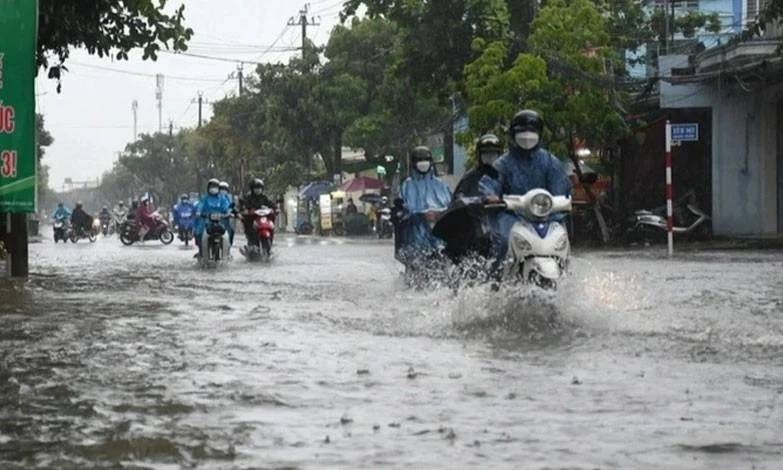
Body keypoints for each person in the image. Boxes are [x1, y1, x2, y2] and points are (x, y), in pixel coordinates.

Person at [479, 109, 572, 276]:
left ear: (540, 134)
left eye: (532, 132)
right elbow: (490, 183)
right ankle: (494, 280)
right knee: (503, 241)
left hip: (546, 216)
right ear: (513, 135)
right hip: (513, 216)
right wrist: (490, 196)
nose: (527, 137)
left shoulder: (550, 162)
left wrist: (567, 201)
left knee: (562, 240)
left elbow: (562, 188)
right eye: (522, 132)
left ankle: (565, 275)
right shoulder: (503, 163)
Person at [396, 146, 452, 263]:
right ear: (414, 163)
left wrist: (437, 214)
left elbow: (450, 206)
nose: (423, 164)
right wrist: (420, 214)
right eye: (420, 161)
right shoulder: (407, 186)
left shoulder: (440, 185)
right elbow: (401, 210)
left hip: (439, 235)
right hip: (415, 235)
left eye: (425, 160)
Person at [453, 134, 503, 199]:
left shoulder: (505, 177)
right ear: (479, 155)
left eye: (493, 153)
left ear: (499, 154)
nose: (489, 156)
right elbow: (458, 199)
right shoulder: (469, 177)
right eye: (485, 153)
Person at [194, 178, 231, 258]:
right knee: (199, 233)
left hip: (220, 221)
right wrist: (199, 212)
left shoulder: (222, 198)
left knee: (229, 231)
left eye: (215, 187)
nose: (213, 189)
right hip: (206, 221)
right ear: (208, 188)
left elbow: (226, 207)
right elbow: (200, 205)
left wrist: (228, 213)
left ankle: (227, 252)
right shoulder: (205, 198)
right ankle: (201, 251)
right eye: (212, 187)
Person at [238, 178, 276, 248]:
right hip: (252, 218)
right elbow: (243, 205)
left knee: (271, 224)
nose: (258, 190)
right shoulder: (248, 197)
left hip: (264, 218)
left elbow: (273, 205)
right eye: (256, 188)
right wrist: (245, 210)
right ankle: (251, 242)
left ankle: (270, 242)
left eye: (259, 188)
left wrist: (276, 209)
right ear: (252, 189)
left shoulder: (265, 198)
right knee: (248, 223)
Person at [218, 181, 235, 249]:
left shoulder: (229, 198)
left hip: (225, 220)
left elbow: (230, 207)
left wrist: (231, 213)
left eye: (225, 189)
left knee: (231, 231)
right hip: (214, 219)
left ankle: (228, 247)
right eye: (221, 188)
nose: (223, 190)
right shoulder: (214, 197)